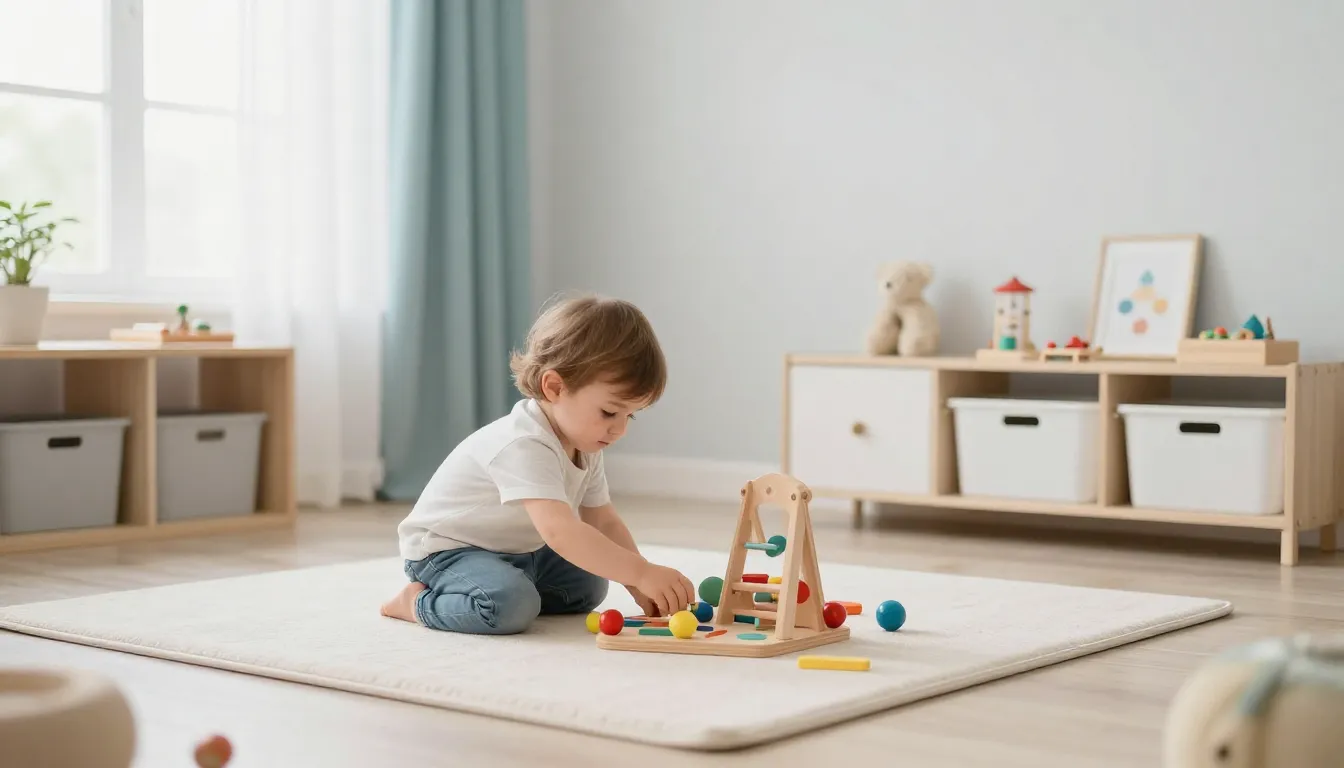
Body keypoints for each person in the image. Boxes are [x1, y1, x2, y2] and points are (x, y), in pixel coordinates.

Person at [380, 295, 696, 634]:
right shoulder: (524, 443)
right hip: (447, 551)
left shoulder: (585, 444)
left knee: (589, 585)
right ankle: (416, 603)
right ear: (555, 387)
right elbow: (560, 532)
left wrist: (637, 581)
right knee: (509, 605)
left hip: (518, 549)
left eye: (630, 415)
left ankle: (509, 584)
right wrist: (641, 573)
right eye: (609, 412)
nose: (619, 429)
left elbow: (603, 521)